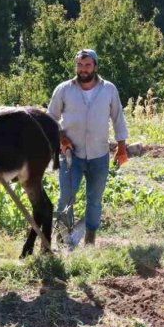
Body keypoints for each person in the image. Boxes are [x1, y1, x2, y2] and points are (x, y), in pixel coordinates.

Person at [47, 49, 129, 246]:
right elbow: (50, 119)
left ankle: (90, 238)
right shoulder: (64, 89)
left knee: (94, 199)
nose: (83, 69)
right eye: (79, 65)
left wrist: (122, 146)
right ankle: (63, 240)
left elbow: (118, 118)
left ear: (95, 66)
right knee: (66, 197)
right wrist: (60, 138)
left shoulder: (108, 89)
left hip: (99, 155)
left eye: (87, 65)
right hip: (70, 155)